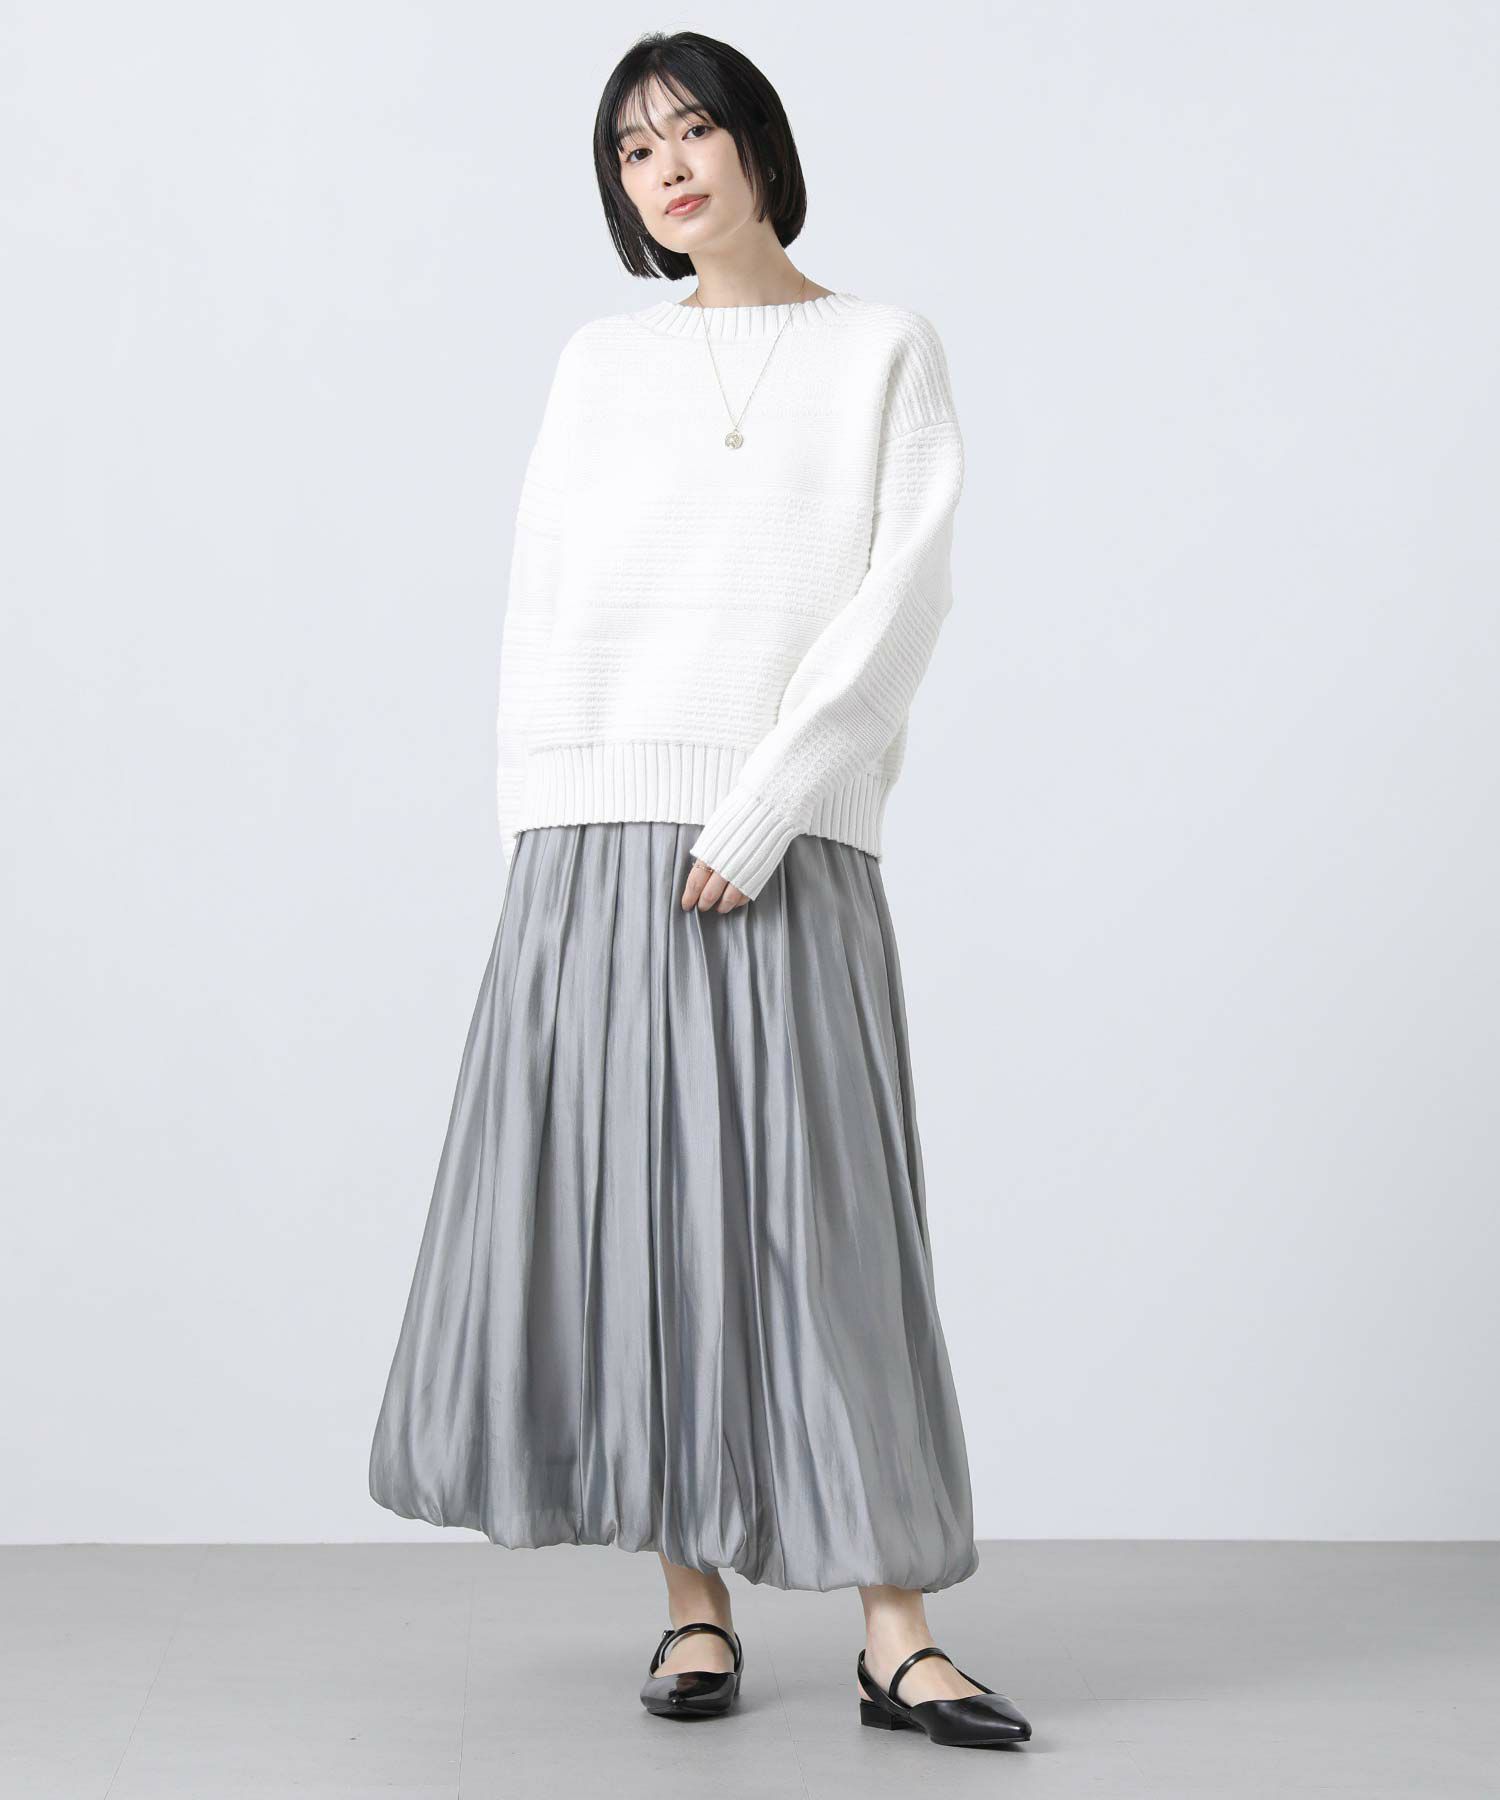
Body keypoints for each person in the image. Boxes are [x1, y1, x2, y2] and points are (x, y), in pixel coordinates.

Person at [368, 28, 1033, 1752]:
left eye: (693, 131)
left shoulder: (884, 349)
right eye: (631, 149)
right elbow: (543, 608)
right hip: (594, 838)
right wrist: (539, 842)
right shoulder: (599, 364)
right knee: (641, 1229)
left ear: (757, 146)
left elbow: (902, 600)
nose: (666, 167)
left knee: (827, 1231)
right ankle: (692, 1604)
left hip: (783, 836)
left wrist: (770, 806)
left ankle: (898, 1633)